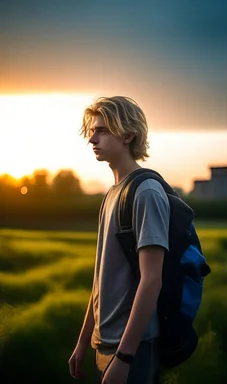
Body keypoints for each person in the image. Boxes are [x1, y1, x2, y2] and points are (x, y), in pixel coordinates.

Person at [68, 96, 170, 384]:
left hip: (132, 349)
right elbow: (101, 279)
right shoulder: (112, 194)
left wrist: (124, 358)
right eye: (92, 130)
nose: (92, 139)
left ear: (128, 135)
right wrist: (83, 342)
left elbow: (152, 279)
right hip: (105, 344)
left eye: (102, 130)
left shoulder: (146, 192)